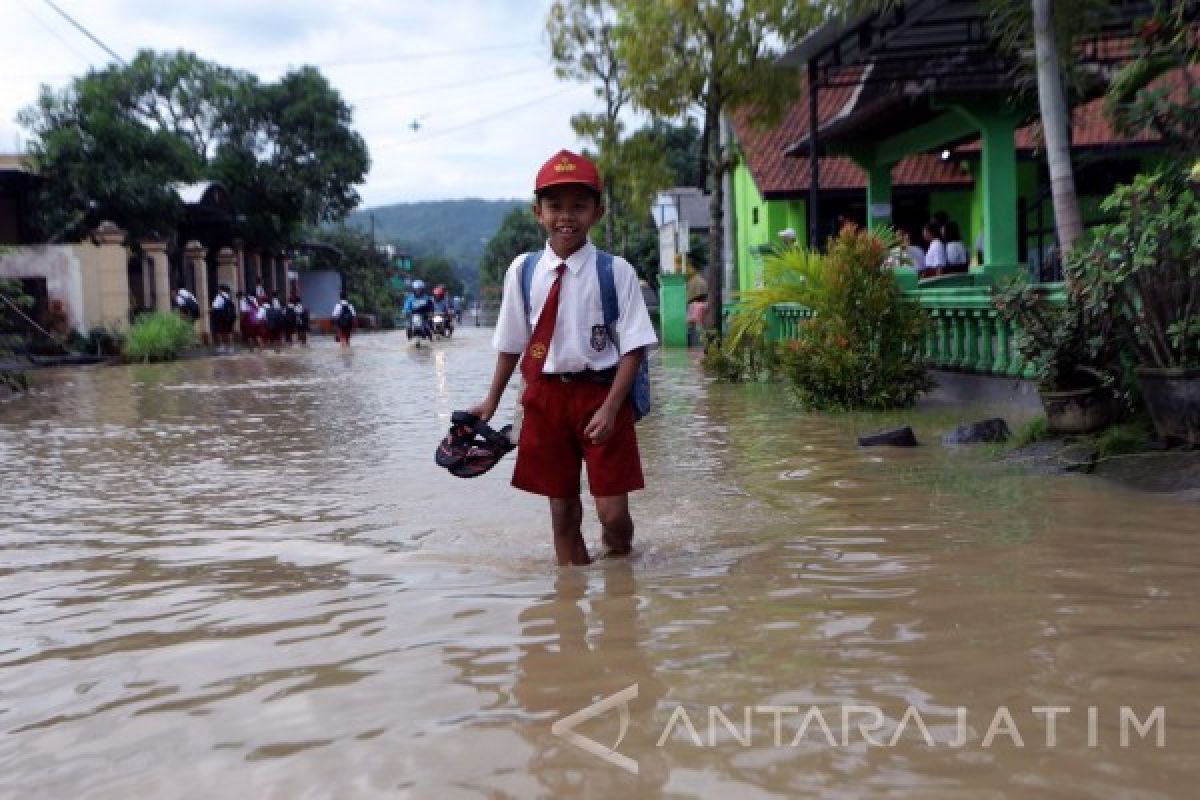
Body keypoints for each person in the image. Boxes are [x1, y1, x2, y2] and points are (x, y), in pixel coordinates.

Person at [469, 149, 658, 567]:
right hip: (546, 400)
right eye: (555, 206)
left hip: (602, 397)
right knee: (563, 514)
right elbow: (510, 344)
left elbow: (635, 347)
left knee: (614, 514)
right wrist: (491, 402)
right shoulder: (524, 270)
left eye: (579, 206)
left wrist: (611, 408)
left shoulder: (616, 272)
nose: (566, 216)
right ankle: (569, 603)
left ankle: (620, 572)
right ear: (538, 212)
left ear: (597, 212)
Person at [210, 284, 236, 352]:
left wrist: (210, 310)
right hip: (229, 317)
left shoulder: (219, 297)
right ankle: (231, 348)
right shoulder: (228, 296)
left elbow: (214, 307)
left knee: (219, 331)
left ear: (221, 289)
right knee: (229, 332)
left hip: (221, 316)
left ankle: (222, 346)